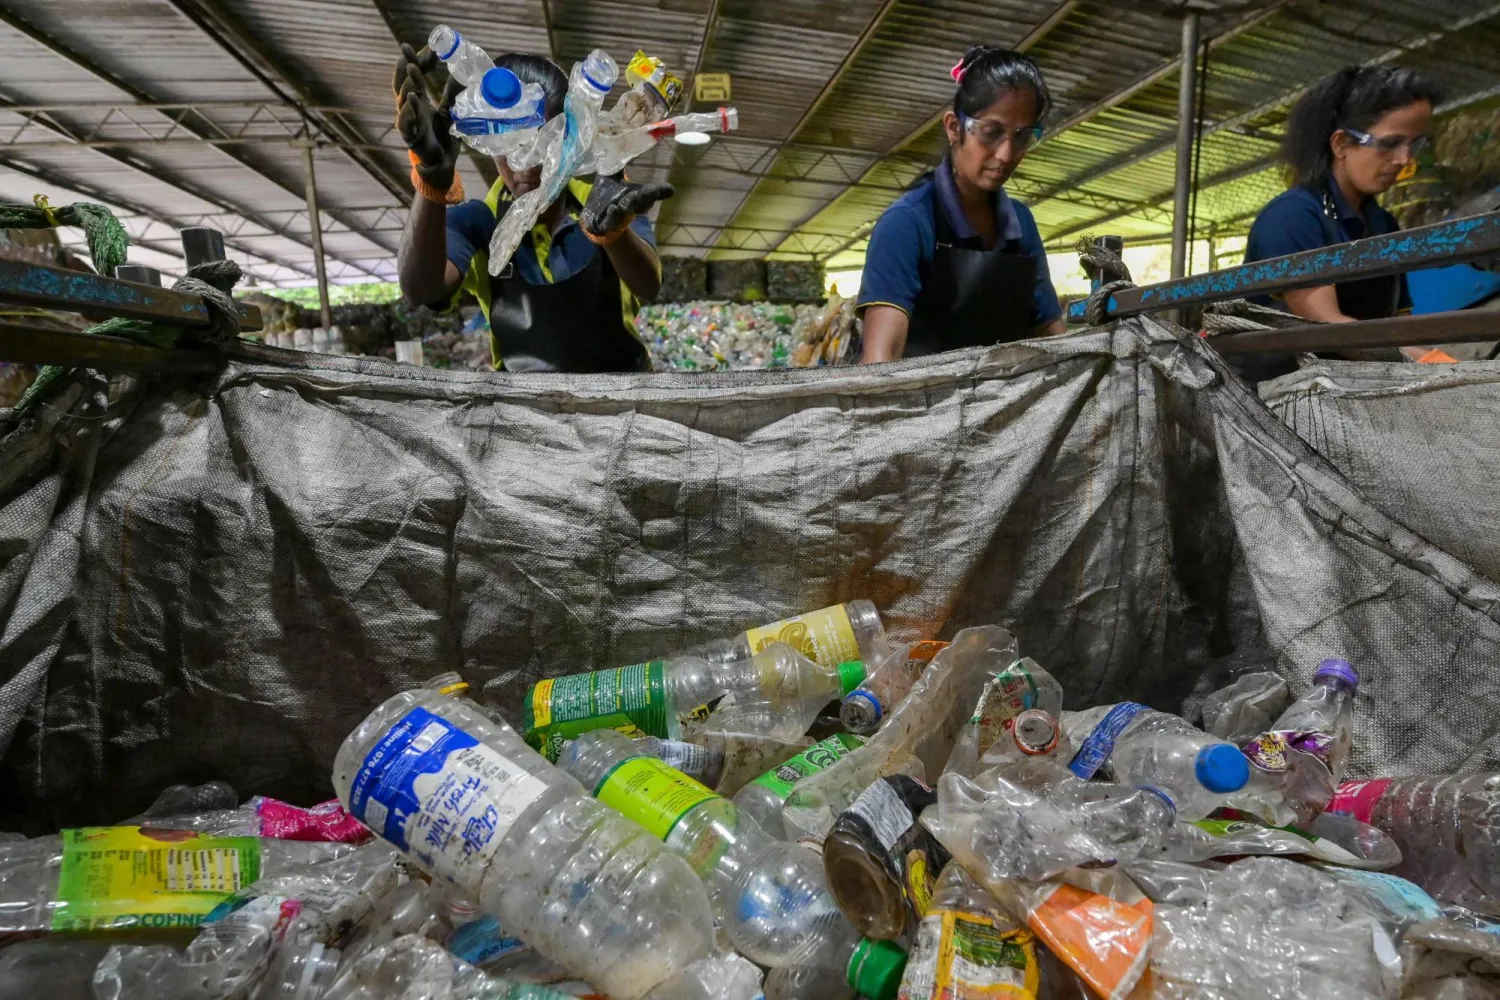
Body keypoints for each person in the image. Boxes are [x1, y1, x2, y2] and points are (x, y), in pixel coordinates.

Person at [393, 45, 673, 373]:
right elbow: (419, 289)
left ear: (569, 138)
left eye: (540, 144)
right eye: (509, 146)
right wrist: (431, 179)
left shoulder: (605, 197)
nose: (523, 167)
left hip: (624, 402)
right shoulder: (478, 223)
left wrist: (613, 235)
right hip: (528, 414)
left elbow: (648, 284)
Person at [856, 46, 1065, 364]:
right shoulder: (907, 224)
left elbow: (1053, 339)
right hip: (919, 408)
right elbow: (880, 361)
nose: (1006, 155)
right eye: (991, 133)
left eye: (1021, 137)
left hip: (998, 403)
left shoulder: (1021, 224)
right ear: (954, 128)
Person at [1239, 65, 1440, 381]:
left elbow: (1396, 326)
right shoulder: (1292, 216)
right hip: (1278, 395)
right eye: (1389, 144)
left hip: (1347, 384)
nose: (1404, 160)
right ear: (1342, 144)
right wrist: (1433, 361)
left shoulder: (1384, 224)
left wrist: (1438, 361)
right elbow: (1328, 325)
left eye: (1414, 145)